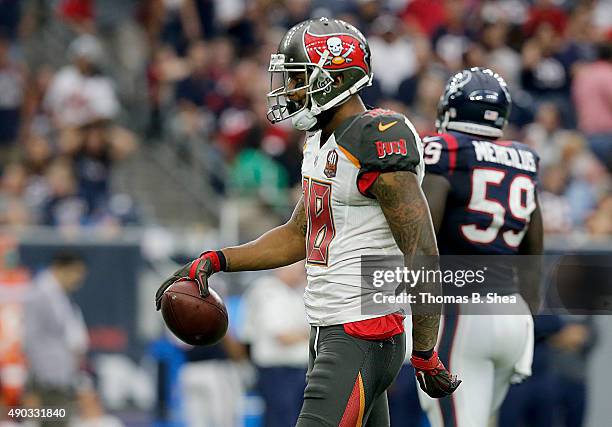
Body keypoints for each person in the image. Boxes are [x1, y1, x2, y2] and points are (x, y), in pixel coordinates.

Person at [157, 17, 460, 426]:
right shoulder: (321, 139)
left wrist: (425, 352)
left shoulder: (376, 136)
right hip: (331, 330)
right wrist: (215, 260)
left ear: (332, 80)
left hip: (360, 331)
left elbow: (421, 249)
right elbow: (299, 233)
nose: (290, 89)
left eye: (299, 78)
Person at [419, 67, 543, 426]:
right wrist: (527, 316)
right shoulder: (524, 158)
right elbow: (534, 248)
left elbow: (422, 236)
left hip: (462, 311)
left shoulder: (446, 150)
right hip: (514, 314)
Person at [23, 252, 89, 427]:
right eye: (77, 272)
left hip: (60, 375)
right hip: (49, 377)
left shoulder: (57, 294)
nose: (78, 279)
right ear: (61, 268)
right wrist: (42, 374)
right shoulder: (41, 293)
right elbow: (30, 337)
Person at [242, 262, 310, 427]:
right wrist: (314, 332)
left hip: (297, 371)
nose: (301, 273)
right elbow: (283, 336)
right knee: (282, 421)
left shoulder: (295, 291)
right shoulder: (268, 290)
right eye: (297, 268)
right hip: (278, 372)